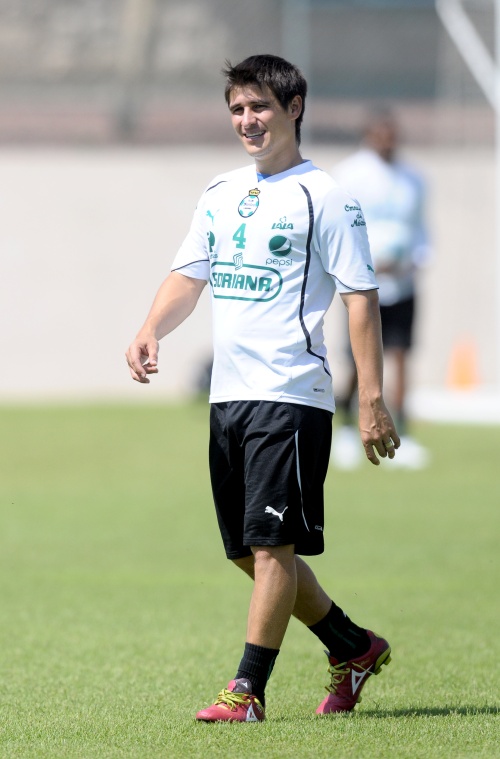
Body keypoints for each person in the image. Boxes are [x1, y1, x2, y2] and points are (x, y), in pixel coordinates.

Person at [125, 55, 399, 723]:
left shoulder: (326, 197)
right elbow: (189, 275)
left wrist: (369, 396)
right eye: (238, 109)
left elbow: (360, 298)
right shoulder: (220, 191)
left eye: (260, 108)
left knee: (274, 547)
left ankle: (246, 691)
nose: (247, 120)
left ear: (293, 108)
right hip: (229, 397)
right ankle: (352, 646)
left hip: (292, 393)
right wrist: (151, 327)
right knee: (249, 552)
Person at [331, 107, 431, 470]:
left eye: (393, 136)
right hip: (362, 287)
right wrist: (366, 264)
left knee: (401, 356)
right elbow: (339, 229)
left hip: (402, 284)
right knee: (358, 361)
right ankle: (346, 428)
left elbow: (420, 230)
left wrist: (415, 259)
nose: (388, 142)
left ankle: (402, 434)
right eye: (381, 135)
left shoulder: (414, 178)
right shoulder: (349, 174)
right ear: (369, 135)